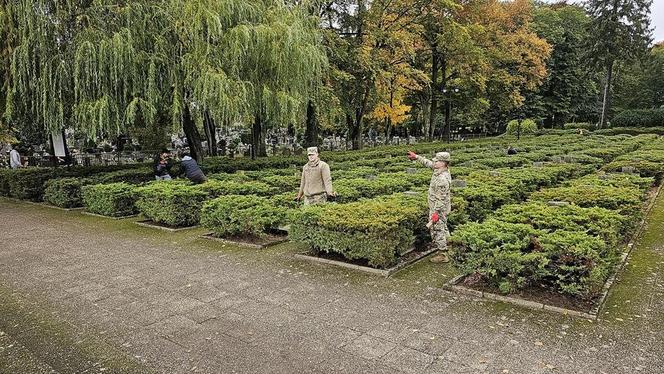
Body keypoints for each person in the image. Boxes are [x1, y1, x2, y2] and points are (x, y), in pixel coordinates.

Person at [408, 150, 452, 263]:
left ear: (443, 163)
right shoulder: (439, 170)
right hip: (437, 207)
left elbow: (441, 199)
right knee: (444, 227)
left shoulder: (442, 179)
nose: (434, 163)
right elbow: (429, 163)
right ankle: (450, 246)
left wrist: (436, 213)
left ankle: (443, 254)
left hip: (438, 208)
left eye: (437, 161)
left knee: (438, 230)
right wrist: (417, 157)